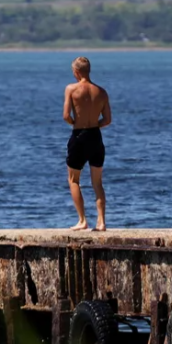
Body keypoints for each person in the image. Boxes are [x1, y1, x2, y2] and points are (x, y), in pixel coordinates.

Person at [62, 56, 111, 232]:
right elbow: (107, 119)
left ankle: (82, 220)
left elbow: (66, 115)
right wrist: (93, 125)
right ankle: (102, 222)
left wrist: (76, 123)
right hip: (95, 137)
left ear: (76, 72)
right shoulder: (102, 92)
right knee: (97, 182)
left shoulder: (71, 89)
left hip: (79, 135)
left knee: (73, 179)